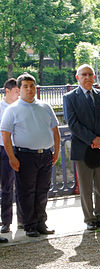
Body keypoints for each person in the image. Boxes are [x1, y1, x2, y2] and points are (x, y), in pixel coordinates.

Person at [1, 73, 60, 238]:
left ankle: (41, 222)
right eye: (25, 86)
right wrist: (12, 157)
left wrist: (56, 151)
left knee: (42, 190)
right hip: (25, 156)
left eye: (32, 86)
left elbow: (55, 131)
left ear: (36, 88)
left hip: (45, 155)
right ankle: (29, 225)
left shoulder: (45, 107)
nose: (29, 89)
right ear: (19, 90)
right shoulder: (12, 110)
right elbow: (5, 135)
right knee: (27, 192)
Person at [63, 65, 100, 231]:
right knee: (86, 187)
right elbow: (73, 124)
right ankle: (89, 219)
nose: (87, 77)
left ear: (94, 77)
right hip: (83, 149)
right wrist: (93, 139)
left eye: (90, 74)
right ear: (77, 77)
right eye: (84, 74)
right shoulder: (70, 97)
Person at [0, 78, 21, 240]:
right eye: (16, 92)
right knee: (6, 187)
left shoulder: (20, 107)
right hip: (2, 149)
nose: (18, 95)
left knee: (17, 187)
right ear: (7, 91)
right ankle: (5, 222)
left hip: (19, 148)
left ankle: (18, 221)